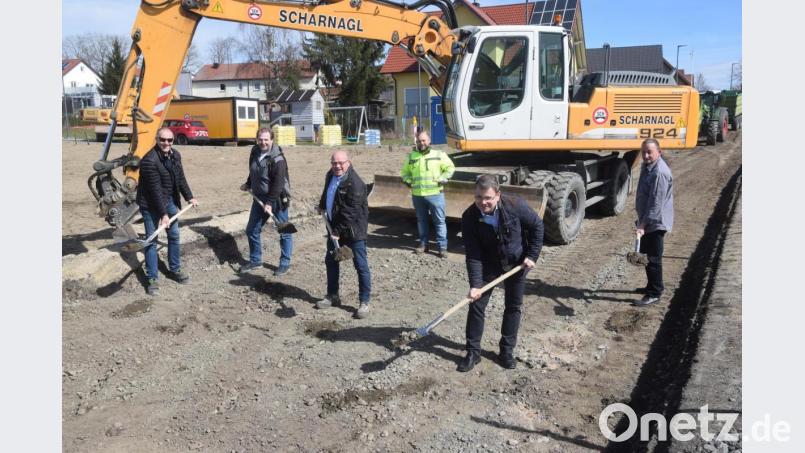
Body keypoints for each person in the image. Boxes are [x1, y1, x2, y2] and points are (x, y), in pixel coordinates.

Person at [458, 174, 543, 372]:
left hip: (516, 263)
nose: (483, 202)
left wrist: (532, 255)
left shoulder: (515, 205)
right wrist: (475, 284)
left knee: (513, 307)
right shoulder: (470, 217)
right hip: (489, 265)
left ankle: (506, 351)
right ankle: (473, 352)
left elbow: (537, 226)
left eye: (488, 197)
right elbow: (473, 254)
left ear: (498, 195)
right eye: (478, 197)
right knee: (476, 305)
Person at [136, 127, 199, 296]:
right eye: (163, 139)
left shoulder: (175, 155)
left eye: (169, 140)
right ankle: (152, 279)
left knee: (174, 235)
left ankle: (175, 269)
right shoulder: (149, 161)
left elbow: (180, 177)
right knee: (151, 238)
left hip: (169, 200)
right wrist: (164, 215)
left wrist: (189, 197)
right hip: (150, 204)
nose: (166, 143)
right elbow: (155, 190)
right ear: (157, 139)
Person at [315, 151, 372, 319]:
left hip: (353, 231)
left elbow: (350, 212)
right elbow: (327, 193)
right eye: (334, 163)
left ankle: (364, 302)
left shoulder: (356, 184)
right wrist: (321, 206)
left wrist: (337, 232)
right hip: (335, 229)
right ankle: (333, 295)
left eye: (341, 163)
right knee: (331, 261)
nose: (337, 166)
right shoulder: (330, 175)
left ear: (349, 163)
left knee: (360, 265)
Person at [239, 128, 293, 276]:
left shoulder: (278, 159)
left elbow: (278, 183)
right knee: (251, 229)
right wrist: (249, 183)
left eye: (266, 139)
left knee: (285, 231)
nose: (263, 142)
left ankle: (285, 263)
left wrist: (270, 202)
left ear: (272, 140)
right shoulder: (255, 151)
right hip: (259, 198)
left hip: (277, 199)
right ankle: (256, 260)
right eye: (260, 139)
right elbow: (254, 171)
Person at [400, 130, 455, 258]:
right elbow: (404, 173)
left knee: (440, 222)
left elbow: (450, 168)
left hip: (435, 194)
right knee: (421, 221)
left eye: (424, 140)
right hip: (418, 195)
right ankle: (423, 244)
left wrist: (443, 178)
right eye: (419, 141)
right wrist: (408, 181)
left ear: (429, 141)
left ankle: (442, 247)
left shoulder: (439, 154)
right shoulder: (411, 156)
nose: (421, 143)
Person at [634, 138, 674, 306]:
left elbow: (655, 204)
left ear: (659, 152)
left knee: (653, 259)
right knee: (646, 255)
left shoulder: (660, 173)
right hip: (647, 220)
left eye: (650, 152)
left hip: (656, 222)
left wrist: (643, 225)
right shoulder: (648, 166)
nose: (646, 155)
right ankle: (651, 285)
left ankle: (655, 293)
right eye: (643, 152)